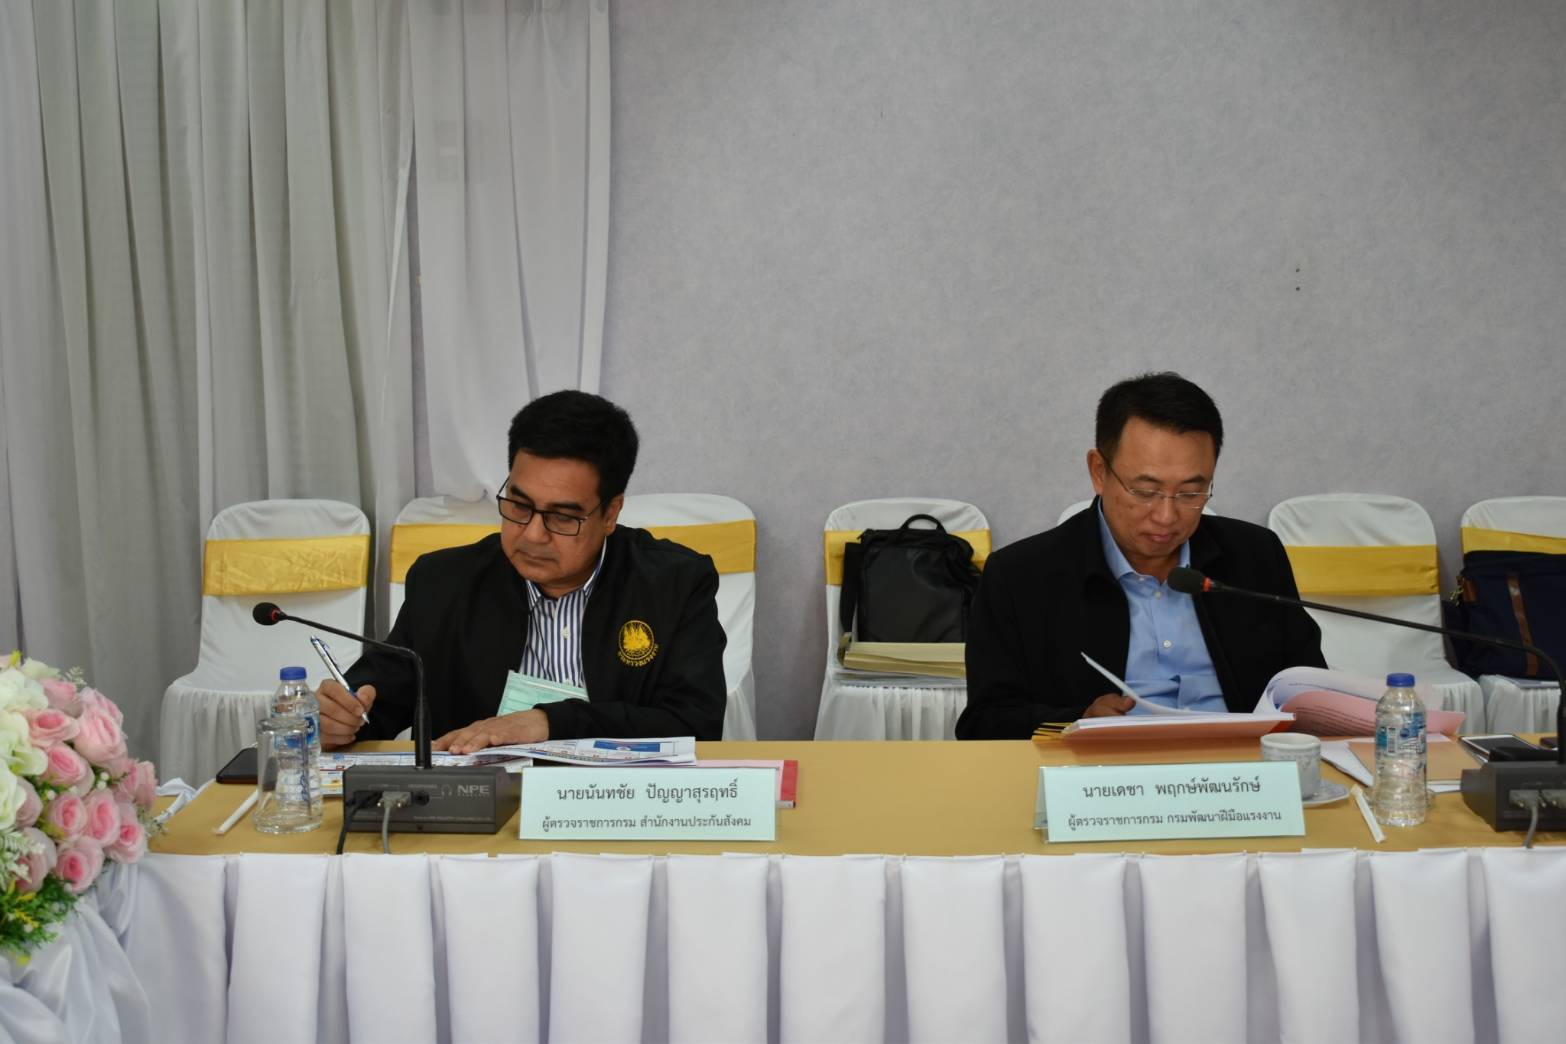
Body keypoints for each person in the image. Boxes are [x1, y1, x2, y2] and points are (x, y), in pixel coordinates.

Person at [316, 391, 728, 751]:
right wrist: (339, 719)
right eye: (519, 505)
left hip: (615, 801)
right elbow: (374, 704)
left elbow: (695, 725)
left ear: (610, 513)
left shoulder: (674, 585)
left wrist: (549, 722)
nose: (532, 534)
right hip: (481, 806)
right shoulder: (443, 584)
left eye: (563, 517)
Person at [955, 372, 1325, 739]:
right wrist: (1076, 720)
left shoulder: (1256, 556)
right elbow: (985, 722)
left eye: (1190, 493)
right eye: (1146, 492)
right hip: (1103, 771)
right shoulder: (1020, 577)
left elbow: (1308, 692)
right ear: (1099, 472)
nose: (1166, 516)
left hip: (1243, 768)